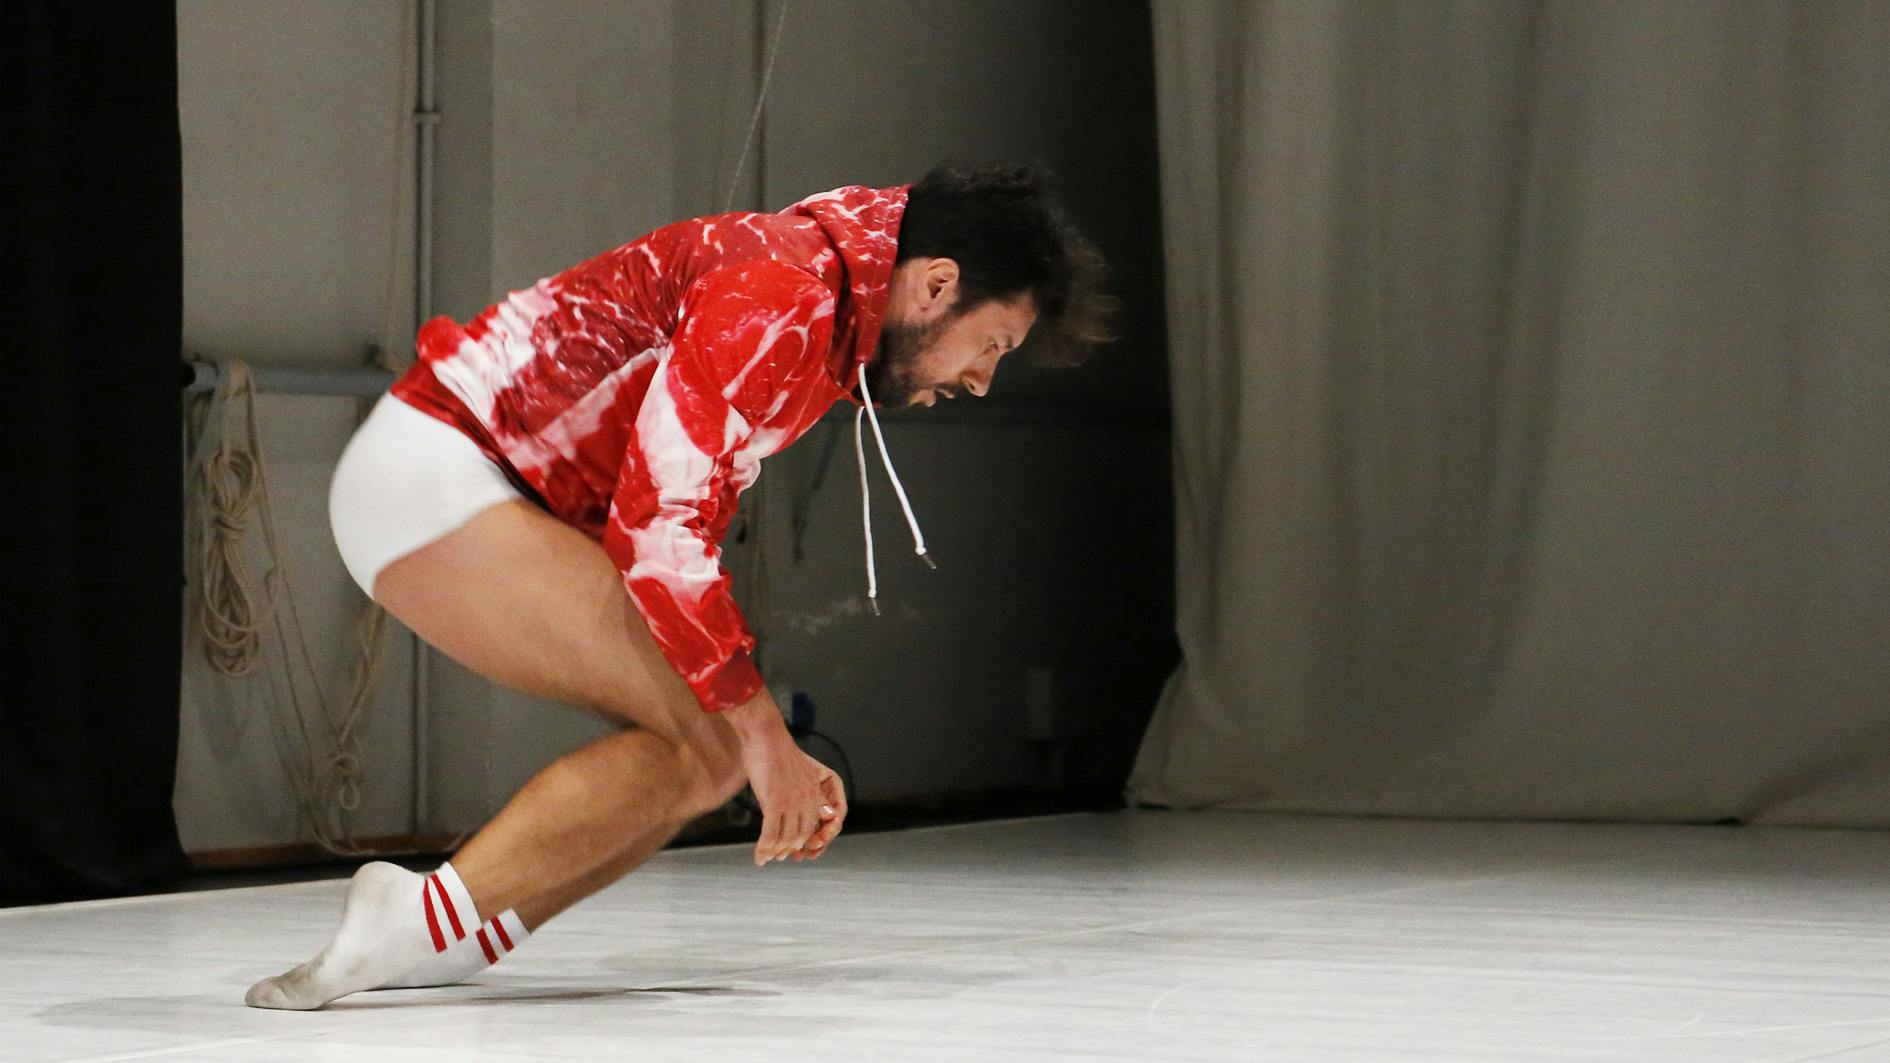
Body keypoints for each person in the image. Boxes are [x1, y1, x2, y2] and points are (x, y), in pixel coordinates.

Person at [244, 161, 1116, 1009]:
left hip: (469, 476)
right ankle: (415, 916)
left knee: (706, 749)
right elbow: (660, 532)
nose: (980, 378)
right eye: (992, 344)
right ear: (935, 286)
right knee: (719, 739)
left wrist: (759, 736)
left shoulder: (828, 286)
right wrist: (770, 738)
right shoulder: (784, 292)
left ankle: (450, 932)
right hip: (440, 465)